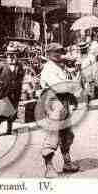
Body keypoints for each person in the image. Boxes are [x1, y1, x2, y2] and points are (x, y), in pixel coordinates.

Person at [39, 42, 80, 178]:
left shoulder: (60, 67)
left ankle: (67, 163)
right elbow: (60, 87)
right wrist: (72, 85)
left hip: (63, 102)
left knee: (67, 135)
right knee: (53, 136)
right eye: (55, 52)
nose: (59, 54)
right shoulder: (48, 69)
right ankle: (49, 167)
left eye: (60, 52)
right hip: (53, 103)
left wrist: (75, 74)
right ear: (49, 54)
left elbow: (73, 85)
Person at [0, 43, 25, 138]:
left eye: (13, 54)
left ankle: (9, 129)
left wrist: (18, 87)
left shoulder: (19, 66)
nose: (11, 57)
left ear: (16, 55)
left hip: (14, 93)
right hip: (3, 92)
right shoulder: (2, 65)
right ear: (6, 55)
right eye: (9, 55)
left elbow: (21, 77)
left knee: (12, 111)